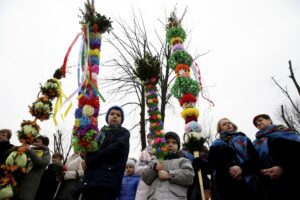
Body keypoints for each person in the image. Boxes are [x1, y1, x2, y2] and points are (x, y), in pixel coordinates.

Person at [209, 118, 266, 200]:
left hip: (249, 184)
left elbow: (255, 160)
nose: (228, 124)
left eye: (229, 123)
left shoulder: (244, 139)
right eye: (224, 124)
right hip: (229, 187)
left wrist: (241, 169)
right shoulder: (216, 145)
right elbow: (214, 165)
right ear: (220, 129)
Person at [82, 105, 130, 200]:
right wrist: (84, 155)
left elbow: (114, 150)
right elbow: (92, 150)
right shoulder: (100, 133)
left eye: (118, 115)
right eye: (112, 114)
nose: (115, 116)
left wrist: (90, 159)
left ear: (121, 119)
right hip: (91, 181)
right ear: (107, 117)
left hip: (108, 183)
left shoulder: (123, 133)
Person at [253, 114, 300, 200]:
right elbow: (253, 159)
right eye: (256, 124)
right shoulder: (256, 143)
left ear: (269, 120)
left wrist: (282, 167)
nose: (258, 123)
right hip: (270, 183)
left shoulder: (284, 132)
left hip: (291, 177)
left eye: (260, 120)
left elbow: (296, 151)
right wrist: (261, 171)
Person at [141, 131, 195, 200]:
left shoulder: (183, 160)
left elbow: (189, 176)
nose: (170, 145)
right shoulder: (156, 160)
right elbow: (145, 178)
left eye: (174, 142)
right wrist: (154, 168)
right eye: (167, 142)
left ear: (178, 146)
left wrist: (169, 175)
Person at [14, 135, 51, 200]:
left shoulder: (46, 154)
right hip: (18, 181)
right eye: (35, 142)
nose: (35, 143)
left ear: (45, 144)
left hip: (30, 185)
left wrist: (30, 151)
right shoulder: (28, 150)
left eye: (38, 141)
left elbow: (40, 163)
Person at [135, 133, 155, 200]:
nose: (148, 140)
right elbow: (136, 169)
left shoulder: (161, 153)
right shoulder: (143, 152)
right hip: (143, 185)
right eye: (148, 138)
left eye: (151, 138)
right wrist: (152, 168)